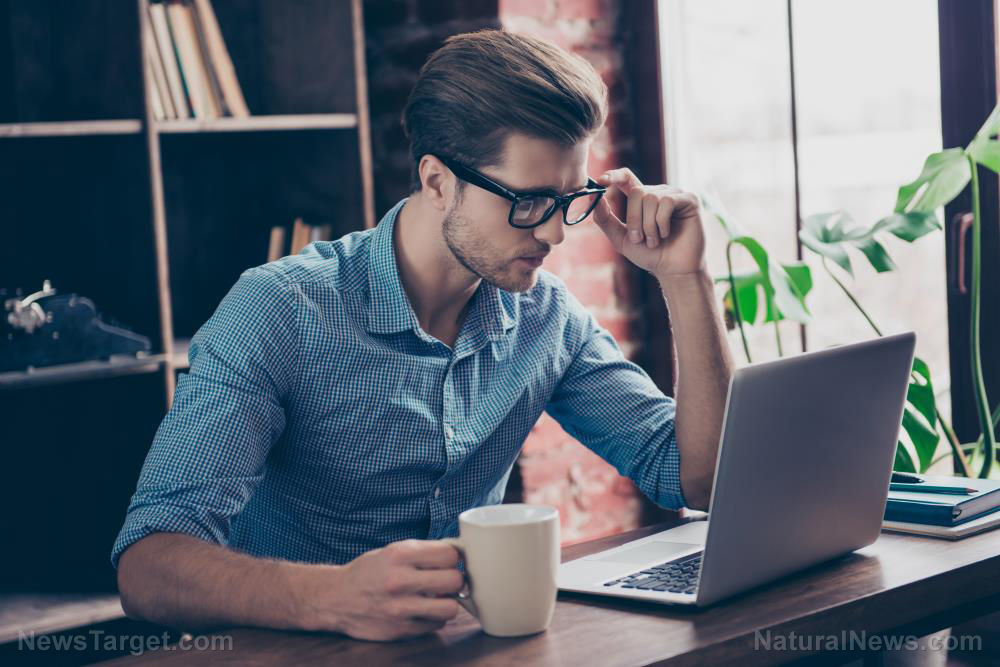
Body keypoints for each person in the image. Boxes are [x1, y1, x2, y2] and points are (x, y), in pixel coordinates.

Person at [113, 29, 733, 642]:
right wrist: (330, 596)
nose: (553, 235)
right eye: (529, 203)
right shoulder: (281, 310)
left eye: (568, 200)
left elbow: (697, 478)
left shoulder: (547, 318)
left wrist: (686, 278)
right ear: (437, 181)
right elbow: (148, 567)